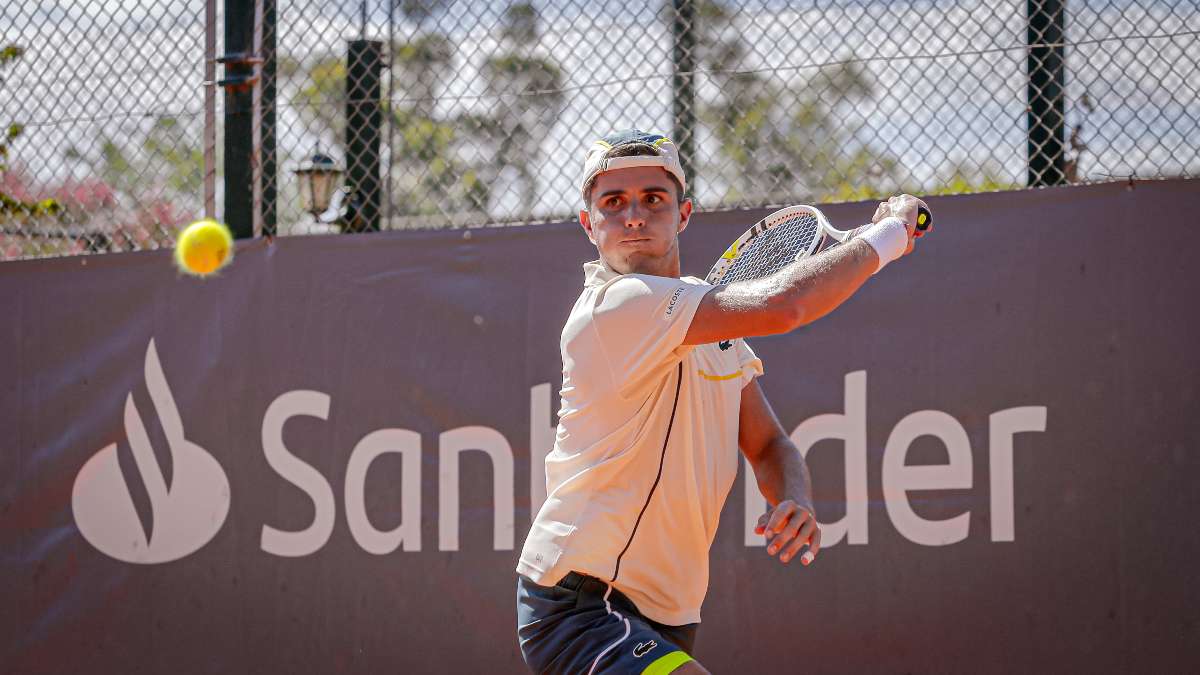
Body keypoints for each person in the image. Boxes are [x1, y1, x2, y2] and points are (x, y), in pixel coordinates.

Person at [515, 129, 930, 674]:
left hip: (669, 613)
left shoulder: (713, 327)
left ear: (684, 213)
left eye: (653, 199)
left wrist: (794, 498)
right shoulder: (613, 307)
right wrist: (892, 234)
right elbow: (786, 305)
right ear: (588, 224)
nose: (634, 215)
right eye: (613, 202)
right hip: (583, 602)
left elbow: (769, 444)